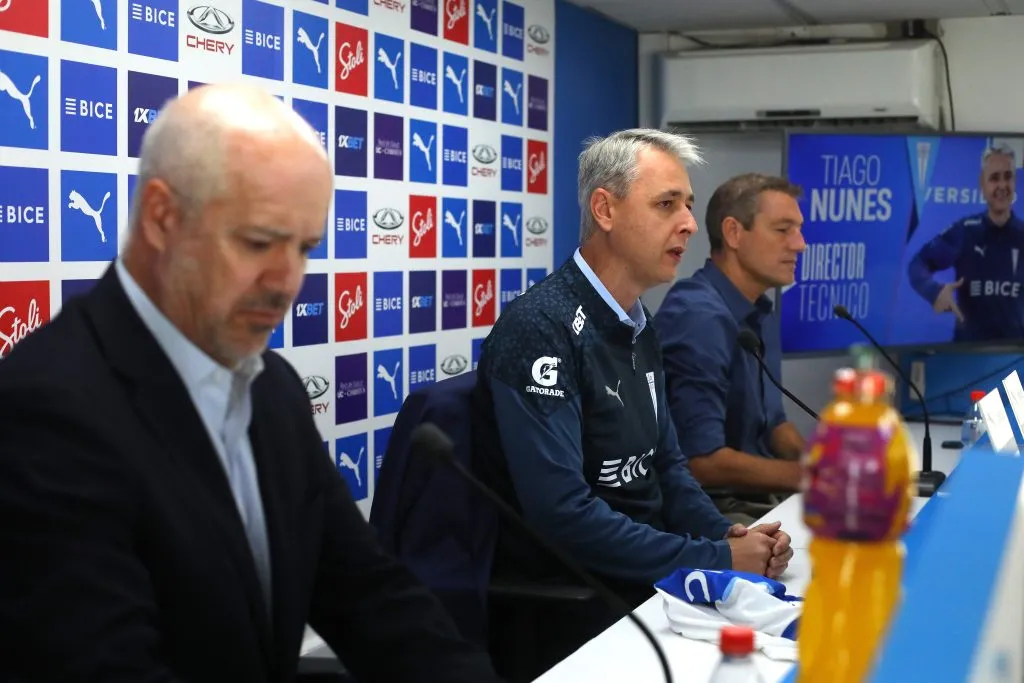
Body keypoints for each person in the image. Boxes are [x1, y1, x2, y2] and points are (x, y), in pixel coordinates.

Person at [0, 84, 500, 683]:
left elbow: (368, 595)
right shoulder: (46, 410)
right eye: (258, 242)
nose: (287, 281)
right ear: (162, 217)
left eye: (305, 248)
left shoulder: (272, 388)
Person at [472, 130, 793, 674]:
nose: (689, 224)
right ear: (605, 209)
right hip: (580, 606)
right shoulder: (541, 328)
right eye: (667, 204)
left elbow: (665, 467)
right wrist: (713, 558)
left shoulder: (638, 324)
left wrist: (724, 533)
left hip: (650, 586)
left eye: (689, 206)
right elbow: (564, 516)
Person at [655, 173, 808, 525]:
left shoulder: (758, 311)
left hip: (757, 500)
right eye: (783, 229)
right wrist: (812, 479)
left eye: (798, 229)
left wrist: (821, 461)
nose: (800, 244)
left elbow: (773, 424)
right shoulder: (699, 317)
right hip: (711, 511)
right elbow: (702, 462)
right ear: (734, 233)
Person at [907, 143, 1024, 342]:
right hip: (967, 357)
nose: (1002, 185)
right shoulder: (966, 231)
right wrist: (934, 292)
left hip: (1014, 360)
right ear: (983, 185)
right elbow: (917, 265)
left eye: (1008, 176)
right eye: (994, 178)